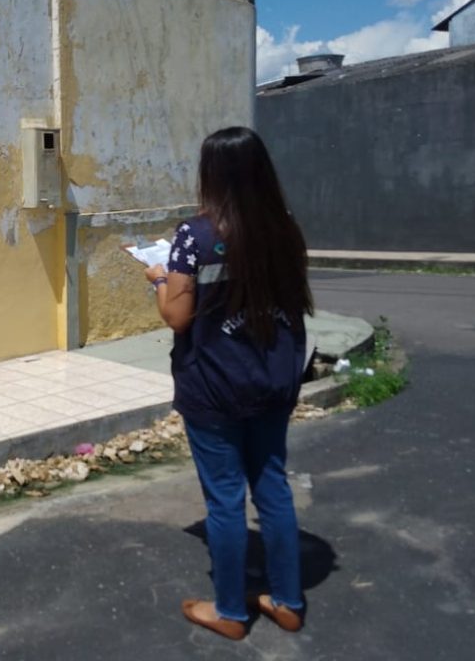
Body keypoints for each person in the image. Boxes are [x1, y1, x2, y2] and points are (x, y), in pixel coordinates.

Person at [144, 126, 313, 641]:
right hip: (273, 380)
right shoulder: (284, 227)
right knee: (272, 487)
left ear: (211, 174)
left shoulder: (193, 237)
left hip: (215, 388)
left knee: (224, 499)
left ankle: (231, 613)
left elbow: (178, 317)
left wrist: (159, 280)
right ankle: (287, 601)